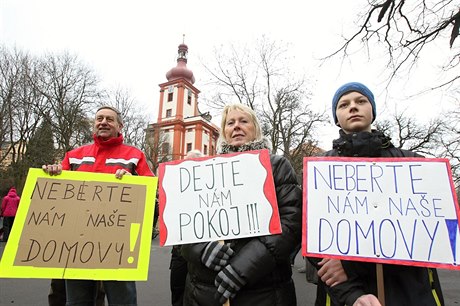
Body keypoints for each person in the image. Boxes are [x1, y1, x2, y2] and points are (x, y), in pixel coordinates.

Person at [309, 82, 444, 306]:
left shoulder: (412, 163)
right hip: (346, 295)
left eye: (361, 101)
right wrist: (351, 294)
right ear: (336, 117)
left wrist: (351, 265)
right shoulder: (321, 169)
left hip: (410, 293)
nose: (353, 107)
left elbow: (427, 235)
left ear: (372, 110)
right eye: (344, 104)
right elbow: (313, 241)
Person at [181, 103, 302, 306]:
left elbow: (291, 223)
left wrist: (244, 267)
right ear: (224, 132)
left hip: (264, 291)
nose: (236, 126)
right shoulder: (203, 171)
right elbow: (183, 223)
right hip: (205, 291)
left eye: (243, 121)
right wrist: (200, 249)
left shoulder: (276, 166)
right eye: (230, 123)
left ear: (255, 129)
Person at [43, 105, 154, 306]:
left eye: (109, 119)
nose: (103, 122)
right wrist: (52, 174)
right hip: (76, 243)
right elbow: (57, 194)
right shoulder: (73, 155)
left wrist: (133, 181)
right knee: (77, 302)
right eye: (99, 118)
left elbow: (151, 191)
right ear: (94, 124)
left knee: (123, 302)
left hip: (118, 245)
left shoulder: (135, 155)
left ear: (120, 126)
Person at [170, 149, 204, 306]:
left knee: (196, 294)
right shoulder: (175, 187)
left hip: (201, 253)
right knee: (177, 290)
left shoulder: (208, 189)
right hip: (179, 252)